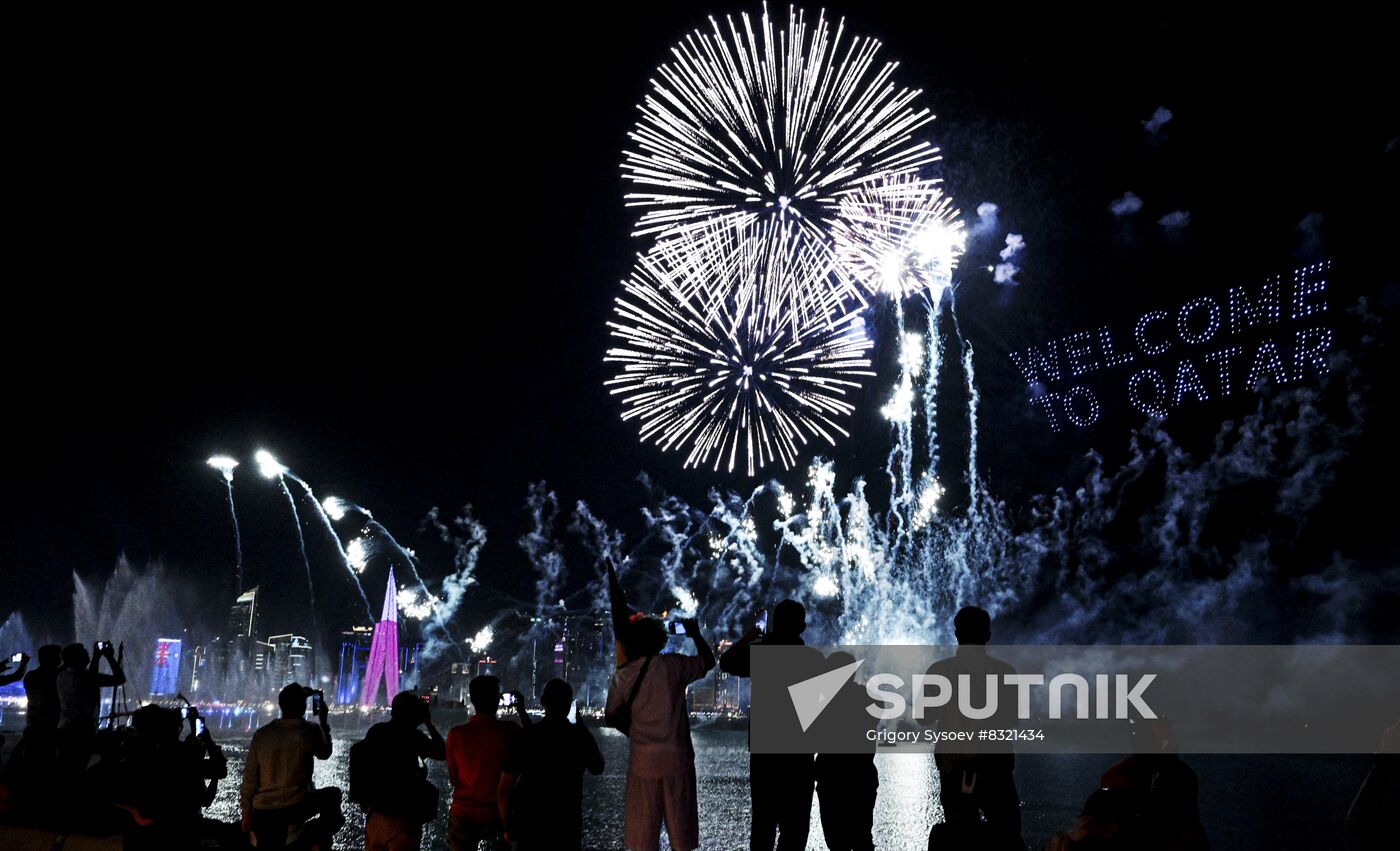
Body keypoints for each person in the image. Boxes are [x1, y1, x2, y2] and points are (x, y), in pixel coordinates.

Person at [719, 599, 822, 851]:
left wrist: (753, 635)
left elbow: (726, 662)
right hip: (799, 757)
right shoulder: (813, 658)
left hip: (765, 757)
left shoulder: (761, 654)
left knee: (763, 827)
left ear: (775, 624)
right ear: (802, 627)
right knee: (795, 830)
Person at [608, 616, 715, 851]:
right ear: (660, 640)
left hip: (643, 763)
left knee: (642, 839)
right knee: (682, 837)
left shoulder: (623, 676)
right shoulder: (673, 666)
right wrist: (695, 634)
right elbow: (708, 661)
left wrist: (635, 732)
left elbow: (611, 716)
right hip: (677, 761)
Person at [923, 606, 1025, 851]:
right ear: (987, 634)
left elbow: (924, 718)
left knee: (959, 839)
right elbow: (1013, 719)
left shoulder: (939, 671)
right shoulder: (1005, 672)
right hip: (996, 768)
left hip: (954, 768)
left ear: (957, 634)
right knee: (1008, 835)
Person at [499, 678, 604, 850]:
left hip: (530, 827)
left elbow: (505, 788)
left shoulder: (527, 737)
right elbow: (598, 767)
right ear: (569, 705)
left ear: (543, 702)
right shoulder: (580, 737)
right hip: (567, 828)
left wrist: (507, 828)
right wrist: (583, 731)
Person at [240, 682, 343, 850]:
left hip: (262, 810)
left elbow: (250, 777)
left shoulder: (262, 734)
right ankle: (317, 839)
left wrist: (246, 811)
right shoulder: (309, 730)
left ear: (281, 705)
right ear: (303, 707)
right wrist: (323, 721)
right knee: (333, 795)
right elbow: (325, 753)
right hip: (294, 807)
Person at [445, 676, 530, 851]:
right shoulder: (510, 732)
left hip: (462, 814)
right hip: (497, 817)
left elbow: (453, 780)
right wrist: (521, 710)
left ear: (472, 699)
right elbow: (534, 741)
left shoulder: (456, 735)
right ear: (496, 700)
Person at [356, 690, 446, 851]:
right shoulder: (413, 736)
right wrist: (428, 722)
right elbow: (442, 752)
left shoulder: (376, 731)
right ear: (412, 713)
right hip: (402, 819)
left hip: (375, 816)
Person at [814, 651, 878, 851]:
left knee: (836, 841)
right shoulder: (869, 698)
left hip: (831, 778)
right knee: (862, 838)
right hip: (861, 776)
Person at [56, 642, 126, 771]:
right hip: (82, 731)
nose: (87, 653)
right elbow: (120, 679)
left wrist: (96, 657)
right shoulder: (86, 678)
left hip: (64, 728)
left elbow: (92, 679)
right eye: (84, 653)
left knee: (66, 767)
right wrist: (109, 657)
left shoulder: (62, 676)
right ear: (78, 658)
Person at [21, 645, 62, 731]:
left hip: (34, 723)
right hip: (51, 724)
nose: (61, 659)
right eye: (58, 656)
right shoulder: (57, 676)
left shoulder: (30, 676)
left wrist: (23, 664)